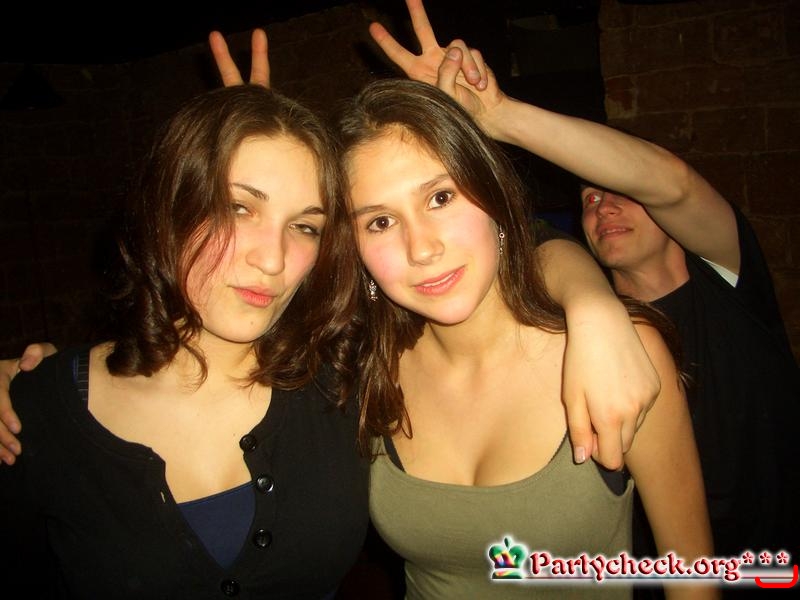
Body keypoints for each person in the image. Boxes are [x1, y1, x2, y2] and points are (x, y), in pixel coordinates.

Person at [365, 0, 800, 563]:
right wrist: (591, 302)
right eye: (590, 200)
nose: (604, 207)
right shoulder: (575, 321)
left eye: (622, 194)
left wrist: (500, 116)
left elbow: (670, 182)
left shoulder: (726, 278)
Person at [336, 73, 714, 598]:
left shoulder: (614, 351)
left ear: (494, 199)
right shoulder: (364, 368)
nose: (421, 248)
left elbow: (693, 579)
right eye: (379, 222)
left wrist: (592, 301)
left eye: (441, 197)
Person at [0, 83, 372, 598]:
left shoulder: (344, 385)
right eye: (237, 208)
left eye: (305, 226)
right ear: (168, 209)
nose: (273, 259)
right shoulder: (33, 414)